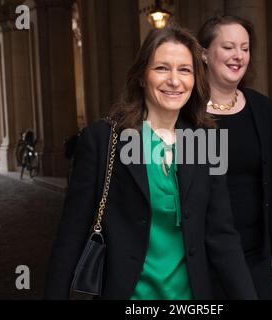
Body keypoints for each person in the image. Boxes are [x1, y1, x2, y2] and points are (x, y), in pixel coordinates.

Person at [44, 25, 257, 300]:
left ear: (195, 79)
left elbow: (222, 236)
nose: (174, 80)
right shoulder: (103, 140)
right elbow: (71, 235)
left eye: (184, 70)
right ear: (142, 76)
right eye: (161, 68)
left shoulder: (206, 141)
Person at [198, 15, 272, 299]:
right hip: (203, 253)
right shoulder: (186, 111)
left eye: (245, 47)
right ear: (204, 54)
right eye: (228, 47)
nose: (238, 56)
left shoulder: (262, 108)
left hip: (255, 251)